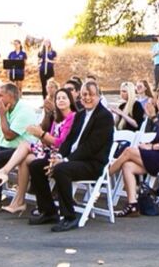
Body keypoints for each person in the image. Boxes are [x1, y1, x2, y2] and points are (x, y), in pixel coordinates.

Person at [27, 81, 115, 231]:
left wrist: (64, 160)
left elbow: (91, 147)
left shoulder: (105, 116)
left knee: (61, 169)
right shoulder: (80, 115)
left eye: (91, 95)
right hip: (71, 159)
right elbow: (68, 141)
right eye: (84, 94)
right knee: (36, 165)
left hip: (92, 163)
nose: (87, 98)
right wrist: (58, 156)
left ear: (99, 96)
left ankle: (69, 216)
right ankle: (48, 211)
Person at [0, 86, 76, 215]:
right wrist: (44, 123)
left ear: (70, 101)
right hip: (48, 150)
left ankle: (4, 173)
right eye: (58, 98)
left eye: (64, 98)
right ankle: (18, 201)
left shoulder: (72, 117)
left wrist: (41, 134)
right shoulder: (57, 118)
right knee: (24, 159)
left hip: (60, 154)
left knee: (24, 146)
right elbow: (48, 138)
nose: (60, 100)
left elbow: (61, 143)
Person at [108, 90, 159, 217]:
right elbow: (158, 138)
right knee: (127, 166)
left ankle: (104, 176)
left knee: (129, 151)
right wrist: (146, 145)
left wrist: (151, 147)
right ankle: (132, 205)